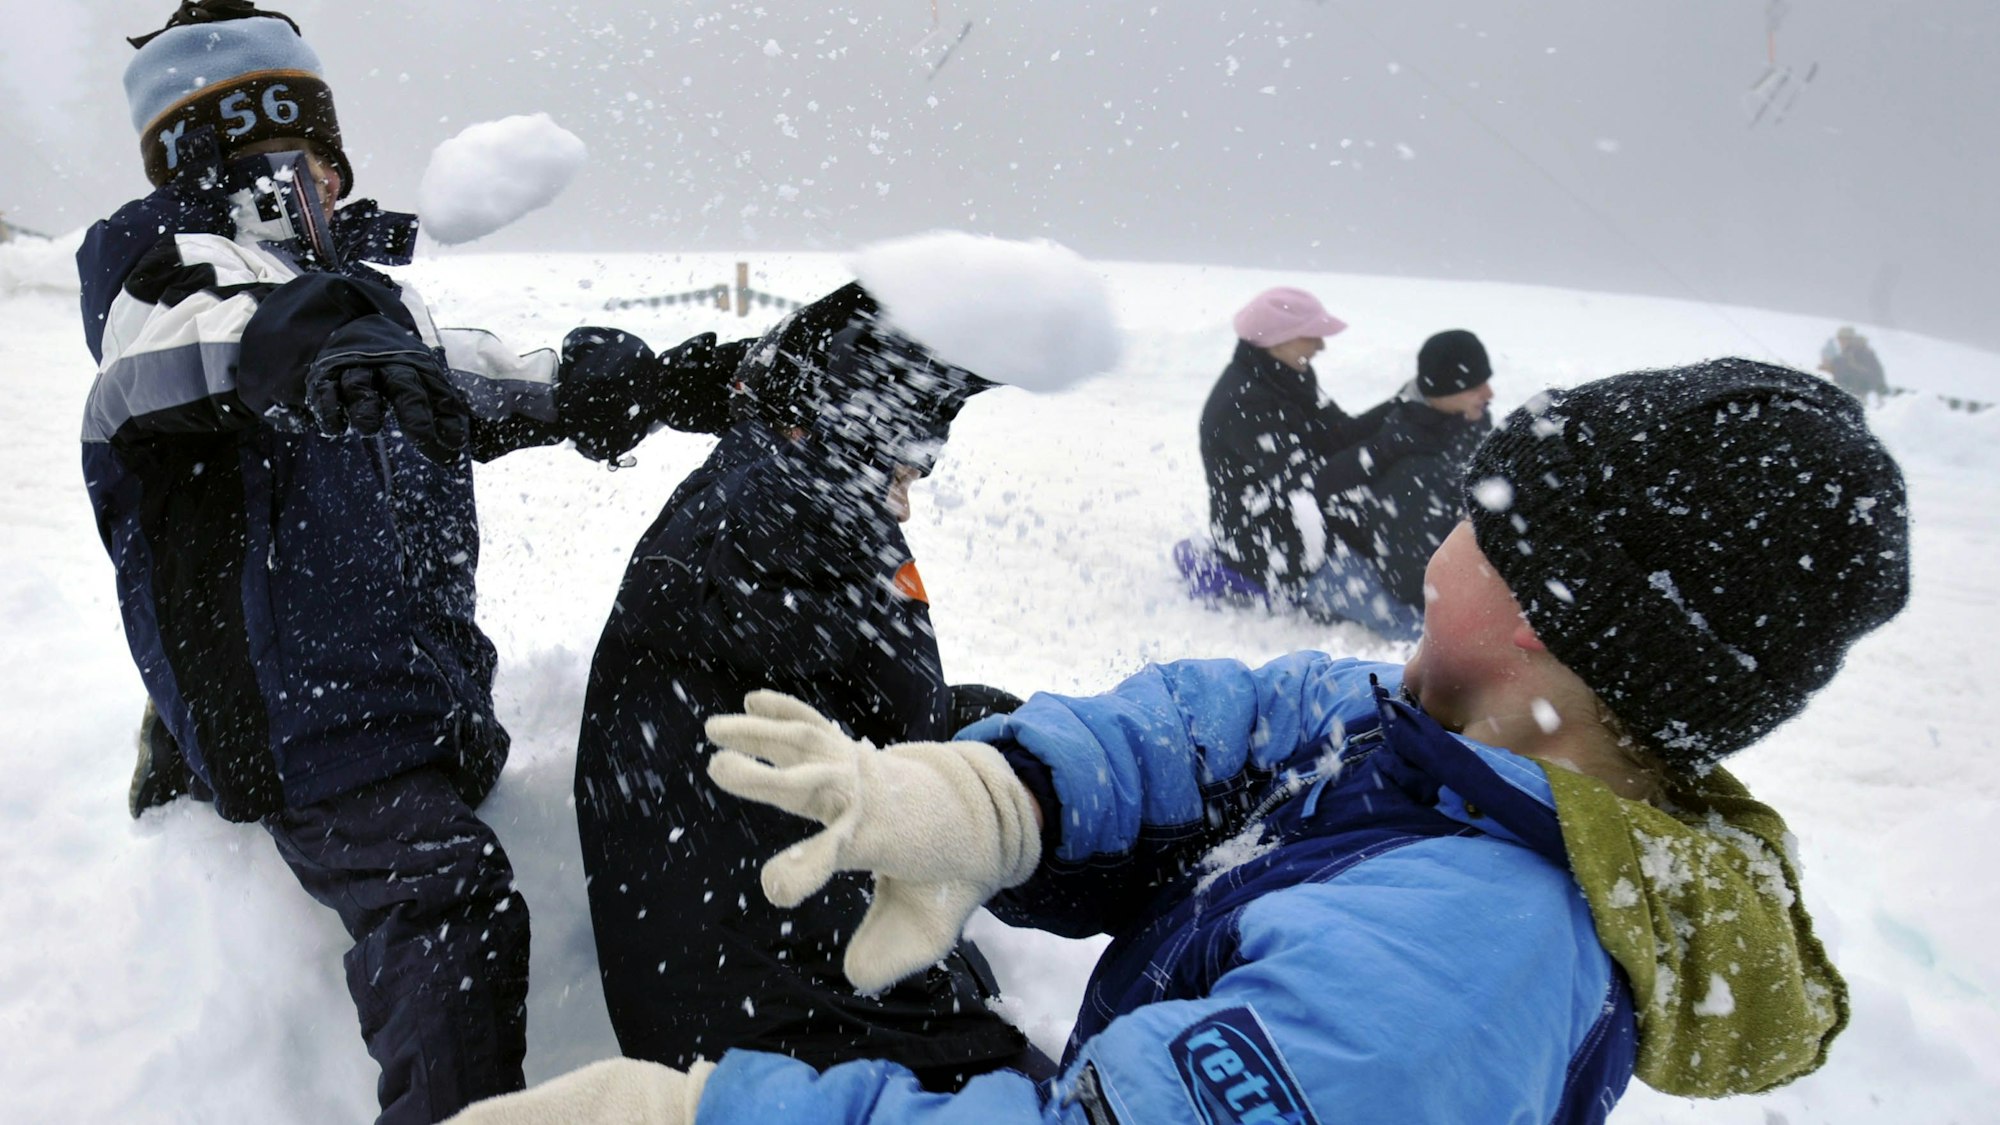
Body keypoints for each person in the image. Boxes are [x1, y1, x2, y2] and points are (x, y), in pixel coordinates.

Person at [447, 358, 1909, 1124]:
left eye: (1473, 517)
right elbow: (1217, 727)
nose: (1438, 538)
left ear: (1544, 611)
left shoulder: (1458, 982)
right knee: (912, 731)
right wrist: (983, 796)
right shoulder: (1434, 744)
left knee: (722, 799)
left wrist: (706, 1119)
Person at [80, 4, 733, 1121]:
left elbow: (476, 375)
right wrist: (321, 337)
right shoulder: (168, 278)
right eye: (316, 166)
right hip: (317, 739)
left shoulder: (371, 308)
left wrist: (648, 385)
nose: (337, 187)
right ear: (250, 160)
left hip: (408, 712)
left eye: (335, 167)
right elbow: (176, 357)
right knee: (449, 910)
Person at [571, 239, 1113, 1091]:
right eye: (911, 454)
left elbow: (871, 716)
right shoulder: (790, 526)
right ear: (854, 424)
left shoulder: (756, 498)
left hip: (751, 992)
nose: (914, 485)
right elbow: (912, 741)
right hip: (807, 1029)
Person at [1193, 287, 1443, 629]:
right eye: (1312, 336)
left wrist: (1399, 405)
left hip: (1303, 518)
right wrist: (1387, 445)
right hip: (1264, 538)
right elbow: (1306, 483)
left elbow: (1337, 434)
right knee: (1404, 622)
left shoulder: (1289, 375)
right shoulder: (1243, 404)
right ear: (1277, 340)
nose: (1321, 346)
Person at [1313, 328, 1496, 641]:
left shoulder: (1468, 420)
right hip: (1413, 583)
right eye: (1476, 385)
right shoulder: (1416, 468)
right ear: (1445, 390)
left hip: (1454, 552)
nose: (1489, 393)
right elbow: (1409, 581)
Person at [1820, 324, 1889, 400]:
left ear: (1850, 339)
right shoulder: (1846, 354)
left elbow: (1872, 373)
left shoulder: (1861, 353)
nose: (1841, 342)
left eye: (1843, 339)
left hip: (1858, 392)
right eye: (1839, 339)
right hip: (1850, 392)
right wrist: (1830, 368)